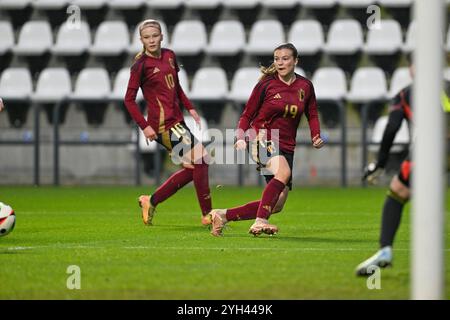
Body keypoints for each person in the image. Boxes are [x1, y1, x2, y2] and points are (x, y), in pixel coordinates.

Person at [209, 43, 324, 237]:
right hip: (260, 136)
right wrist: (239, 137)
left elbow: (312, 114)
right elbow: (247, 114)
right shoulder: (266, 84)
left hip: (287, 145)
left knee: (277, 204)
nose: (280, 62)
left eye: (285, 58)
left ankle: (223, 215)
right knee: (284, 172)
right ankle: (259, 222)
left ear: (296, 61)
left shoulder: (305, 86)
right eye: (277, 59)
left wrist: (316, 135)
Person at [356, 65, 448, 276]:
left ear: (413, 69)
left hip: (432, 147)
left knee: (397, 193)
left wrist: (380, 162)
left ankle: (385, 250)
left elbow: (391, 128)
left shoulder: (406, 94)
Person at [124, 19, 212, 226]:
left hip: (178, 121)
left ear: (162, 36)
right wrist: (144, 125)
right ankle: (208, 215)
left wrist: (190, 107)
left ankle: (151, 201)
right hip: (162, 125)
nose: (151, 40)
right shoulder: (140, 66)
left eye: (155, 36)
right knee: (202, 159)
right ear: (141, 40)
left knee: (194, 167)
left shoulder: (170, 56)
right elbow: (128, 100)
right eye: (147, 37)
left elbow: (177, 87)